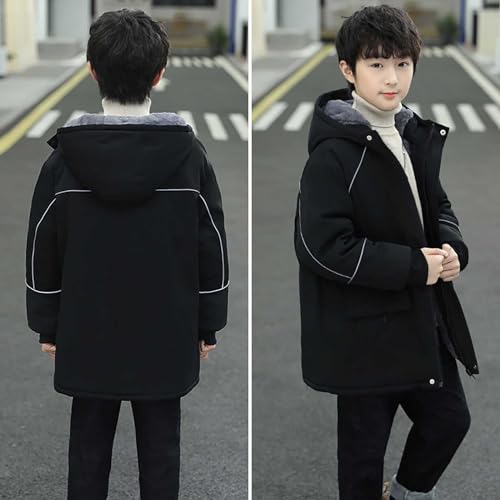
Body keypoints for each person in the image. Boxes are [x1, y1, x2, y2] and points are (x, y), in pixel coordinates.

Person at [25, 9, 228, 500]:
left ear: (92, 70)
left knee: (87, 447)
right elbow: (212, 248)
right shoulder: (189, 158)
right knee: (161, 449)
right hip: (166, 331)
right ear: (159, 74)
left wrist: (47, 325)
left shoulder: (63, 162)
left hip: (87, 330)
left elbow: (41, 250)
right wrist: (208, 324)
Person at [294, 5, 478, 500]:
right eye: (376, 64)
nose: (392, 78)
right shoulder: (334, 153)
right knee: (361, 461)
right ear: (348, 70)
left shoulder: (412, 133)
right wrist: (415, 266)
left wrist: (452, 246)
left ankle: (401, 494)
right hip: (364, 339)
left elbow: (437, 205)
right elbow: (322, 247)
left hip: (419, 322)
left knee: (449, 421)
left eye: (402, 63)